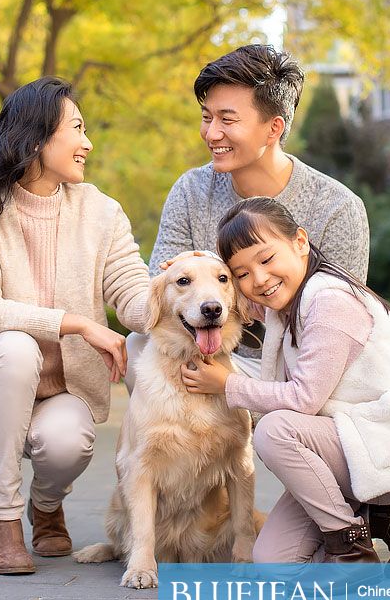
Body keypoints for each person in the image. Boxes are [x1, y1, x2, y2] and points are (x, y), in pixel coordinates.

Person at [0, 77, 150, 576]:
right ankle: (1, 519)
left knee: (68, 441)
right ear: (38, 138)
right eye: (77, 129)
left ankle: (46, 505)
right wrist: (77, 324)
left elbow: (131, 291)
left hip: (62, 392)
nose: (88, 143)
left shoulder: (101, 213)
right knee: (16, 347)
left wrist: (187, 295)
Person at [181, 198, 390, 565]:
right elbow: (225, 298)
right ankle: (388, 511)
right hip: (352, 443)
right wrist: (192, 272)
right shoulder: (284, 302)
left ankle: (351, 547)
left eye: (266, 260)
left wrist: (227, 384)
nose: (259, 279)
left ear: (300, 242)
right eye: (242, 274)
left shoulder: (330, 301)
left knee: (274, 431)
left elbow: (305, 399)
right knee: (274, 563)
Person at [126, 43, 369, 385]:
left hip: (298, 370)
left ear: (273, 128)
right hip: (204, 355)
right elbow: (163, 297)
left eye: (227, 119)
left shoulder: (336, 208)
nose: (212, 134)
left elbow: (342, 327)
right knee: (138, 346)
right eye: (207, 117)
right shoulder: (190, 191)